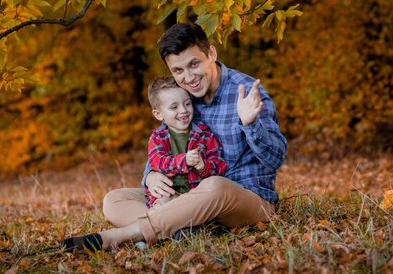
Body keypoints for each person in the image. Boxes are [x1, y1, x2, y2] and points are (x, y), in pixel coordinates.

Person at [60, 23, 287, 252]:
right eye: (178, 71)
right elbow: (163, 144)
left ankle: (120, 236)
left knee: (215, 185)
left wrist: (251, 124)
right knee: (114, 199)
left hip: (246, 200)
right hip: (187, 196)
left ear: (211, 54)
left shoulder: (246, 92)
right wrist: (151, 176)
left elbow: (275, 158)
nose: (188, 78)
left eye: (194, 64)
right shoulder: (183, 97)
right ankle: (182, 229)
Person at [144, 76, 226, 208]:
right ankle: (160, 221)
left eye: (187, 104)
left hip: (198, 196)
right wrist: (184, 160)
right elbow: (157, 163)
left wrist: (202, 166)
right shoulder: (158, 137)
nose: (183, 110)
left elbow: (219, 166)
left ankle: (181, 223)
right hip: (170, 194)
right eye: (174, 107)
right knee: (162, 205)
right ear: (159, 114)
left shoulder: (205, 134)